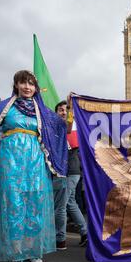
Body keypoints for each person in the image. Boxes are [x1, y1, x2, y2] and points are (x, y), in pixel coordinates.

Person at [0, 70, 68, 262]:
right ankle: (15, 253)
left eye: (31, 84)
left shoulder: (42, 110)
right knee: (13, 206)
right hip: (11, 163)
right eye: (23, 83)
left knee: (35, 204)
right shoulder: (4, 106)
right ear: (16, 85)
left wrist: (73, 107)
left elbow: (64, 129)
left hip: (35, 163)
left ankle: (33, 251)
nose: (27, 87)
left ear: (35, 88)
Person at [58, 99, 88, 247]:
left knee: (62, 205)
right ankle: (85, 232)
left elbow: (68, 127)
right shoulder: (56, 127)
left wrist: (70, 108)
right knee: (70, 203)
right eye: (60, 110)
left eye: (66, 110)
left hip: (71, 171)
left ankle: (61, 240)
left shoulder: (72, 128)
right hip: (65, 171)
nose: (63, 112)